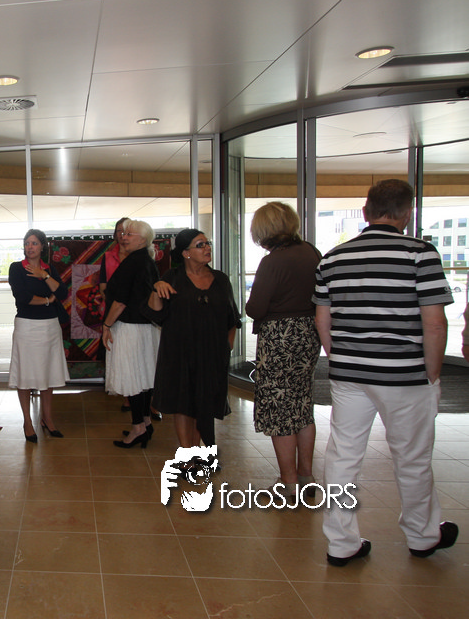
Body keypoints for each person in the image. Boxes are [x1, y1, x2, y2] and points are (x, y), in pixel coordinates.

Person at [314, 179, 458, 567]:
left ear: (366, 212)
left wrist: (340, 359)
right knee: (411, 457)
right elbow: (435, 323)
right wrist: (432, 375)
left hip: (349, 373)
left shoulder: (333, 258)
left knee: (342, 456)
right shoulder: (420, 254)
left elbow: (322, 319)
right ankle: (422, 535)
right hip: (405, 375)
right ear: (407, 212)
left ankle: (341, 543)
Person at [246, 202, 322, 500]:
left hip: (280, 338)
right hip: (309, 334)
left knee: (280, 410)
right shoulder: (311, 252)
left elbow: (255, 308)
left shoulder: (273, 262)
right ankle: (306, 475)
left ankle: (288, 482)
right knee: (302, 406)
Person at [148, 229, 240, 449]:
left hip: (212, 355)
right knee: (183, 404)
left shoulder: (220, 279)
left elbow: (232, 318)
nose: (207, 248)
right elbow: (155, 312)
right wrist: (156, 288)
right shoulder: (172, 277)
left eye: (207, 243)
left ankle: (199, 450)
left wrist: (227, 346)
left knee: (204, 405)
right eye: (200, 245)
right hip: (180, 354)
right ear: (186, 253)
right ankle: (187, 451)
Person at [100, 219, 161, 448]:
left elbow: (120, 302)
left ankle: (138, 428)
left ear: (143, 240)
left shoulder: (133, 262)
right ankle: (145, 422)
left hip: (131, 329)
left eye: (129, 234)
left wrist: (106, 326)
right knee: (143, 377)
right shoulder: (146, 261)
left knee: (132, 378)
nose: (123, 237)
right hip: (145, 328)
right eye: (123, 233)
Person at [8, 229, 69, 442]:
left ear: (42, 246)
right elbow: (22, 297)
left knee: (48, 374)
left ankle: (47, 419)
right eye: (27, 243)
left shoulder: (49, 269)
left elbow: (62, 293)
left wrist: (45, 276)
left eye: (34, 243)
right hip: (26, 326)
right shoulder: (17, 268)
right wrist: (47, 300)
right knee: (25, 375)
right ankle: (27, 422)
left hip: (50, 327)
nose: (30, 247)